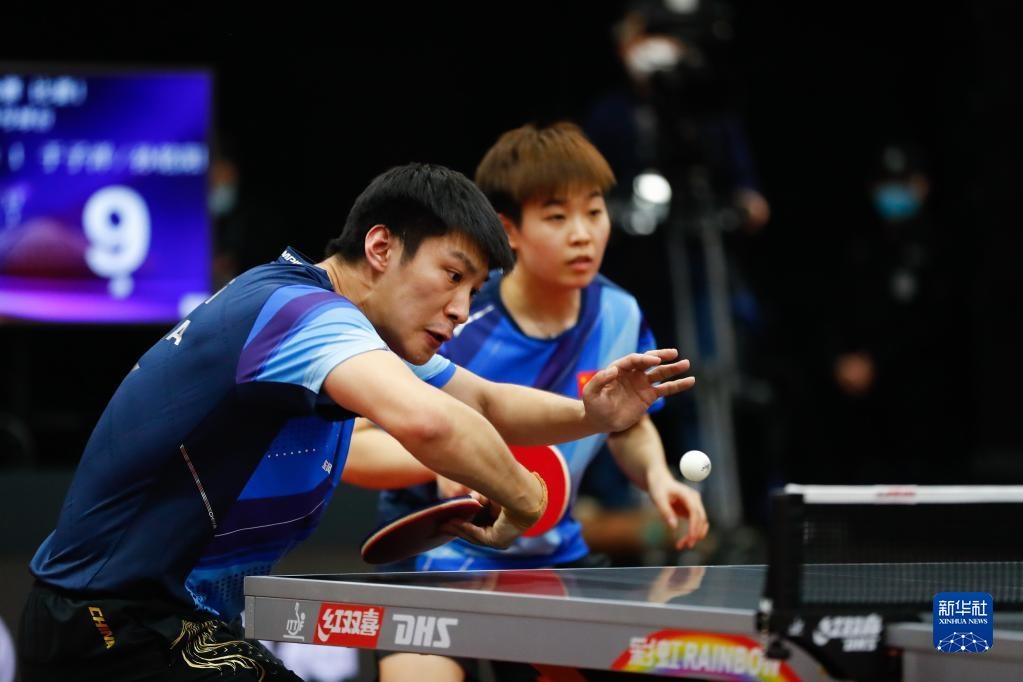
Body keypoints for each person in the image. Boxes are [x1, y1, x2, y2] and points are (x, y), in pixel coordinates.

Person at [17, 162, 695, 681]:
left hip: (160, 620)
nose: (461, 309)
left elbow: (484, 403)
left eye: (473, 290)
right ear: (380, 247)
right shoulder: (300, 315)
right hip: (111, 621)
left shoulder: (352, 335)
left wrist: (590, 414)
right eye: (451, 275)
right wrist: (526, 496)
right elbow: (432, 424)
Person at [368, 123, 709, 682]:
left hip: (550, 561)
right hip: (438, 557)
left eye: (593, 212)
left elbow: (626, 424)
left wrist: (657, 477)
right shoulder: (455, 317)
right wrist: (446, 459)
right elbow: (365, 439)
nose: (582, 234)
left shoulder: (620, 314)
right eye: (556, 217)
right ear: (511, 231)